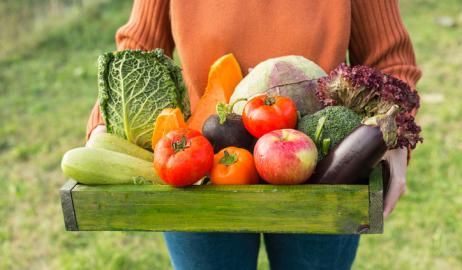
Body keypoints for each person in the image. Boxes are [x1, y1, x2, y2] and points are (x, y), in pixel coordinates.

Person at [86, 1, 421, 269]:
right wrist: (108, 121)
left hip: (325, 167)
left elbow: (389, 58)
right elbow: (140, 47)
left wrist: (393, 134)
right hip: (199, 166)